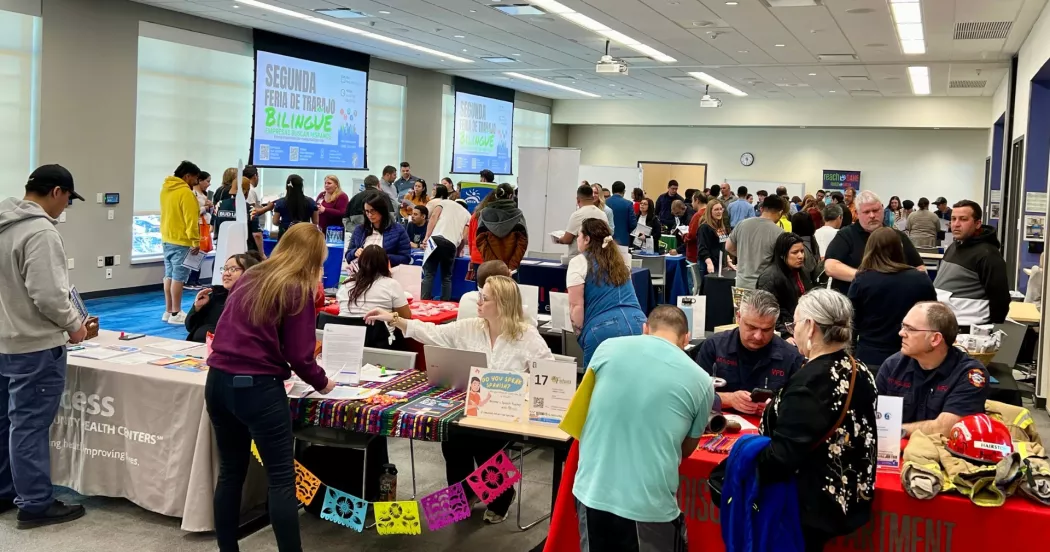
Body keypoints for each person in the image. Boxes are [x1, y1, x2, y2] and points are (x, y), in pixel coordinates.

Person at [365, 275, 553, 523]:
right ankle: (464, 495)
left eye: (485, 298)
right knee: (452, 439)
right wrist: (394, 318)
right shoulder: (470, 327)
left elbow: (548, 371)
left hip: (507, 414)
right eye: (479, 295)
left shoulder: (526, 336)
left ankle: (502, 497)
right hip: (471, 408)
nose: (478, 301)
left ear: (502, 304)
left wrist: (528, 394)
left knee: (486, 444)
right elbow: (430, 331)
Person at [205, 224, 337, 552]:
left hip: (218, 380)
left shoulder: (252, 275)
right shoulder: (297, 287)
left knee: (231, 471)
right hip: (258, 389)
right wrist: (323, 382)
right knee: (281, 479)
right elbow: (299, 354)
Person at [574, 306, 714, 551]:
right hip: (650, 505)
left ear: (645, 329)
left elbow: (585, 407)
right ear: (686, 338)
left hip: (591, 490)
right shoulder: (702, 381)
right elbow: (686, 449)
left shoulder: (606, 347)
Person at [0, 164, 87, 528]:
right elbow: (49, 295)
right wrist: (75, 325)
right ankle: (35, 503)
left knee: (7, 422)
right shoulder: (40, 232)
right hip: (34, 346)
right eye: (68, 199)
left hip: (5, 340)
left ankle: (7, 490)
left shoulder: (4, 225)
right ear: (56, 192)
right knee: (30, 426)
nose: (65, 207)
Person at [757, 288, 878, 550]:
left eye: (794, 324)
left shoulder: (812, 381)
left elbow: (783, 455)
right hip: (843, 499)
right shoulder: (860, 369)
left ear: (810, 327)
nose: (792, 332)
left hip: (805, 507)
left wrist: (742, 466)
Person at [877, 302, 990, 436]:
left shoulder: (969, 375)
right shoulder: (893, 366)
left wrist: (892, 430)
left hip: (941, 451)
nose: (901, 333)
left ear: (935, 339)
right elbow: (870, 413)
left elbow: (946, 428)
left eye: (910, 329)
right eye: (903, 326)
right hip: (893, 450)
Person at [695, 290, 805, 414]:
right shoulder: (714, 346)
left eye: (766, 330)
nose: (758, 336)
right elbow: (694, 395)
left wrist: (774, 408)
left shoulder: (791, 358)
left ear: (775, 325)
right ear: (738, 317)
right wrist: (728, 399)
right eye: (751, 327)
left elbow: (800, 406)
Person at [848, 228, 937, 368]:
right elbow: (933, 318)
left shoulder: (862, 280)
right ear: (900, 248)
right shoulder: (920, 279)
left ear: (869, 249)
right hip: (912, 356)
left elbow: (851, 322)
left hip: (870, 356)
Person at [568, 219, 648, 365]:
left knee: (599, 385)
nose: (577, 240)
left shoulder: (578, 262)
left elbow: (576, 306)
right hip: (639, 323)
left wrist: (581, 336)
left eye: (578, 236)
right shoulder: (620, 261)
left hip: (603, 329)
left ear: (587, 239)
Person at [824, 190, 924, 294]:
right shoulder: (846, 235)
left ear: (882, 208)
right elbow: (830, 267)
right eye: (866, 212)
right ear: (857, 213)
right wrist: (868, 278)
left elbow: (920, 268)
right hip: (853, 302)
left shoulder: (898, 236)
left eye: (876, 210)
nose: (872, 215)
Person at [933, 200, 1010, 326]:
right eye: (953, 219)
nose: (956, 224)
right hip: (944, 323)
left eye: (963, 219)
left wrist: (990, 331)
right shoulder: (954, 246)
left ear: (977, 223)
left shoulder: (987, 254)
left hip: (967, 328)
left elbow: (1000, 300)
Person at [185, 252, 263, 343]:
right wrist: (197, 308)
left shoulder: (255, 302)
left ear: (249, 273)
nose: (226, 273)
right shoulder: (215, 295)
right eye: (225, 269)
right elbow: (190, 327)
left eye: (233, 269)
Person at [160, 160, 202, 325]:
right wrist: (195, 240)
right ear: (187, 176)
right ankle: (176, 313)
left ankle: (169, 310)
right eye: (195, 178)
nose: (196, 182)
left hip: (167, 239)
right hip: (182, 241)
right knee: (179, 277)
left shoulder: (165, 189)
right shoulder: (185, 193)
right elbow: (190, 219)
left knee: (169, 275)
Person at [756, 233, 815, 335]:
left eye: (802, 251)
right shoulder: (769, 277)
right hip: (783, 332)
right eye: (795, 252)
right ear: (782, 254)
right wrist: (784, 334)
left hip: (801, 327)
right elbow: (767, 310)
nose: (801, 256)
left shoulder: (801, 271)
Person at [337, 245, 412, 320]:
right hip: (377, 331)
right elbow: (405, 317)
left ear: (360, 262)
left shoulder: (346, 283)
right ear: (386, 263)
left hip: (342, 330)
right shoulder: (392, 284)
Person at [726, 195, 785, 289]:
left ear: (762, 209)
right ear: (781, 212)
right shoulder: (780, 232)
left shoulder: (742, 224)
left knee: (742, 304)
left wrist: (744, 256)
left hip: (741, 284)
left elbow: (728, 247)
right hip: (764, 286)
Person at [423, 189, 472, 300]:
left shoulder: (444, 203)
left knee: (429, 274)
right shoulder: (468, 215)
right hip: (450, 244)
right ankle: (446, 302)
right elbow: (464, 238)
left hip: (434, 239)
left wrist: (426, 237)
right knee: (446, 277)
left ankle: (424, 301)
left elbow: (433, 218)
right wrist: (459, 251)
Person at [345, 192, 411, 268]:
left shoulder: (398, 230)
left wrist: (381, 258)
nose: (369, 215)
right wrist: (354, 253)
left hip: (387, 274)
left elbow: (406, 258)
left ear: (382, 210)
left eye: (373, 211)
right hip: (361, 273)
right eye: (367, 211)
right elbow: (348, 256)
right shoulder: (359, 229)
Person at [477, 183, 529, 270]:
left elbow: (480, 241)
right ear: (511, 195)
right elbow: (522, 243)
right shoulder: (518, 215)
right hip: (511, 270)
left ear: (496, 195)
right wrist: (511, 267)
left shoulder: (484, 215)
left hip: (491, 268)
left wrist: (494, 265)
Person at [252, 175, 318, 240]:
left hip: (285, 235)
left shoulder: (280, 202)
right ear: (301, 186)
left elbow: (275, 221)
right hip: (304, 235)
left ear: (287, 187)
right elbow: (315, 222)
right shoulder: (311, 202)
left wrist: (282, 223)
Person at [555, 185, 609, 259]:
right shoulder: (603, 214)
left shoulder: (577, 215)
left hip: (579, 258)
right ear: (593, 198)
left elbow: (567, 239)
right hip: (598, 258)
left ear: (578, 200)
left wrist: (559, 239)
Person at [696, 198, 735, 273]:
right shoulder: (704, 227)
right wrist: (709, 263)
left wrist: (728, 261)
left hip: (719, 265)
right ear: (710, 212)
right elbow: (702, 248)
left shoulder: (720, 227)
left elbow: (723, 246)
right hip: (708, 266)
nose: (719, 212)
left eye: (721, 209)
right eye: (716, 209)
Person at [605, 181, 637, 246]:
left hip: (606, 240)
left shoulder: (604, 203)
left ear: (612, 190)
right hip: (623, 240)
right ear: (624, 191)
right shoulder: (628, 204)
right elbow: (633, 224)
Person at [682, 192, 706, 263]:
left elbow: (692, 236)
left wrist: (684, 236)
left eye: (692, 201)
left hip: (695, 253)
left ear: (697, 200)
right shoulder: (710, 213)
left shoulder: (697, 216)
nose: (692, 204)